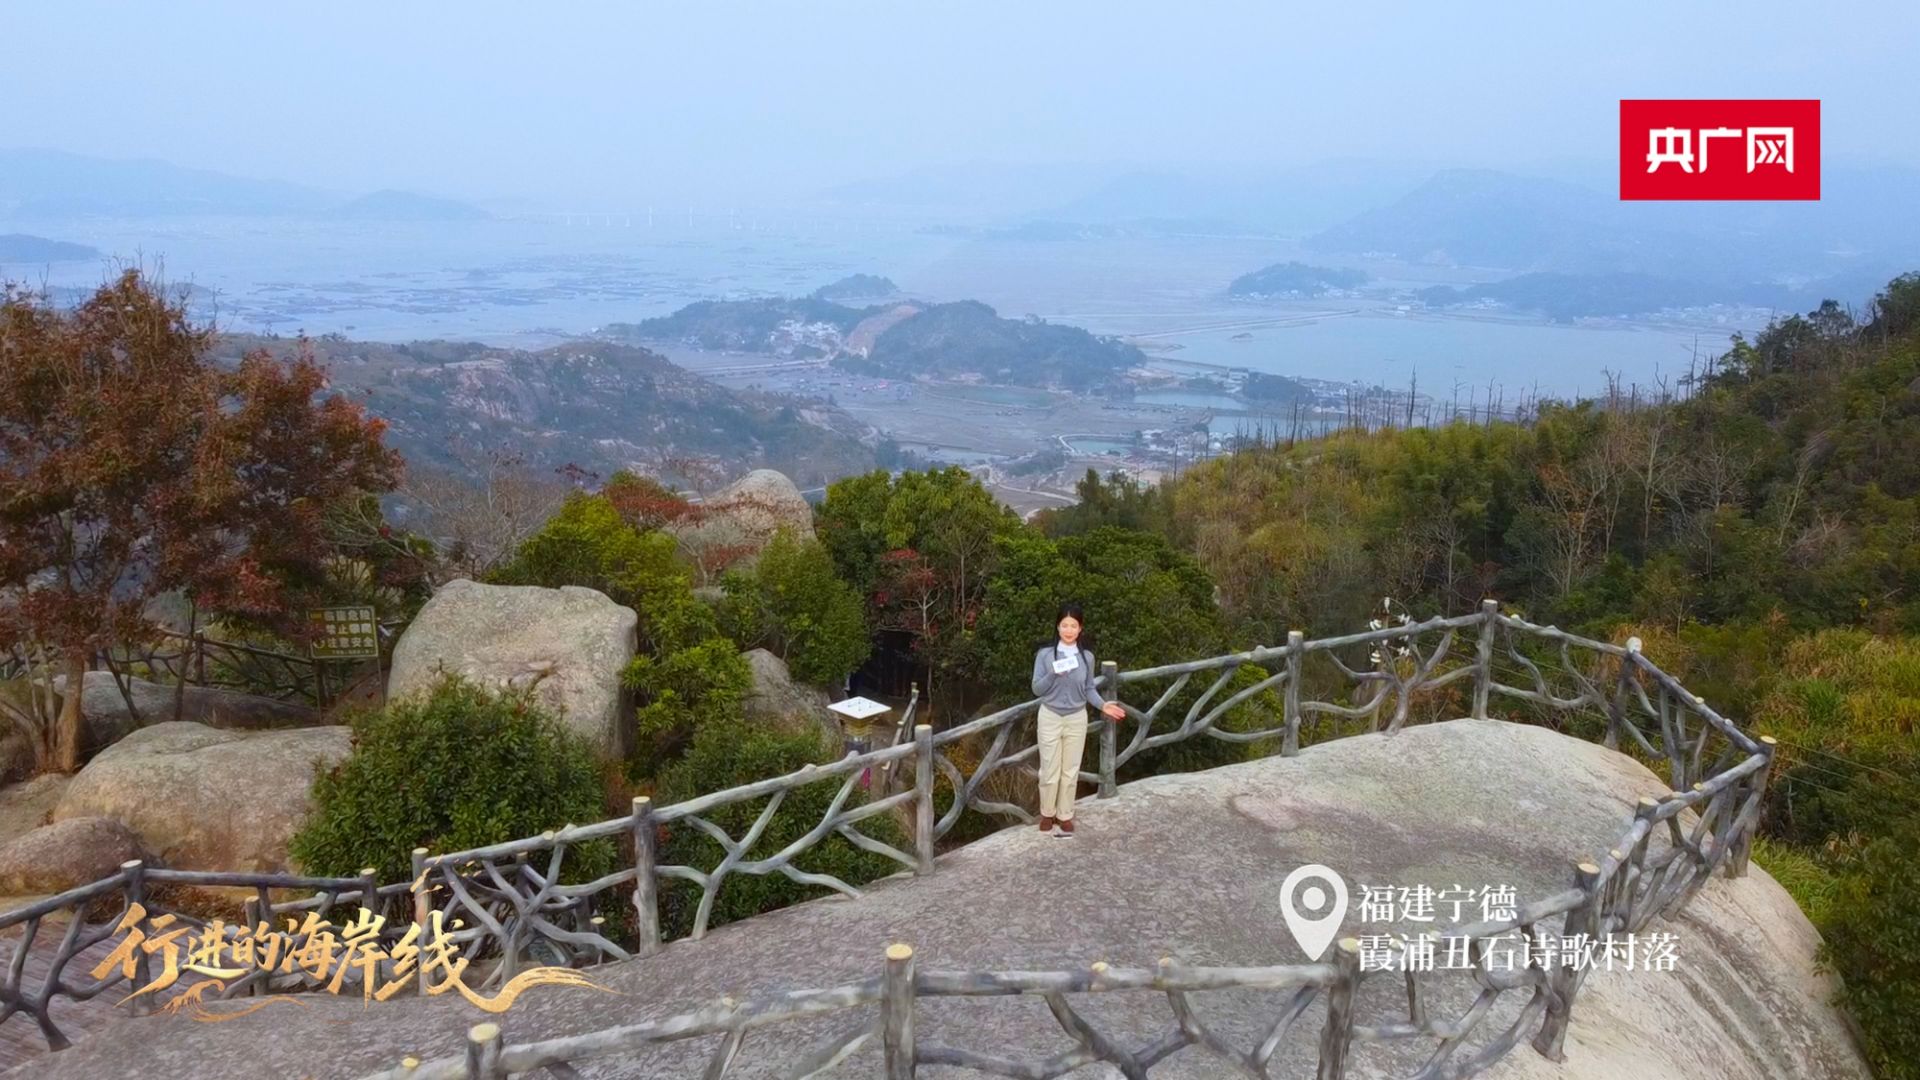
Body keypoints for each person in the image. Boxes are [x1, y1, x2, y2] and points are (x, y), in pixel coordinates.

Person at [1030, 603, 1126, 837]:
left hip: (1076, 718)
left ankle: (1065, 815)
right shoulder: (1045, 655)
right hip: (1050, 716)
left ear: (1080, 628)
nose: (1069, 630)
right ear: (1058, 627)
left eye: (1073, 626)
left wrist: (1103, 705)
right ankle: (1047, 813)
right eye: (1065, 625)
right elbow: (1036, 689)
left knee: (1070, 770)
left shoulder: (1087, 657)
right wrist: (1053, 672)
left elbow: (1089, 688)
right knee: (1049, 770)